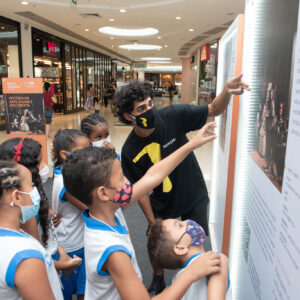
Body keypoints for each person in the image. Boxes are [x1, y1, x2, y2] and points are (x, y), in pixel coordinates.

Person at [114, 75, 250, 294]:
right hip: (162, 200)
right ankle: (158, 278)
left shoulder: (173, 115)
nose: (150, 110)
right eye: (142, 108)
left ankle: (200, 284)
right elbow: (140, 190)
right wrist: (152, 222)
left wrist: (226, 90)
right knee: (156, 242)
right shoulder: (130, 150)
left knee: (196, 241)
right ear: (128, 117)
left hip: (192, 192)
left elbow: (214, 109)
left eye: (150, 103)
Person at [62, 122, 219, 300]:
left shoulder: (107, 210)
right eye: (121, 177)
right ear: (103, 193)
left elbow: (153, 176)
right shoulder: (113, 251)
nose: (127, 181)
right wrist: (190, 274)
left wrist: (191, 145)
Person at [0, 138, 82, 278]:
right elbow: (37, 254)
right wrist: (66, 264)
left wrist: (60, 249)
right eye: (39, 163)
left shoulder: (30, 196)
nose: (44, 166)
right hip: (46, 265)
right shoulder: (25, 210)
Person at [0, 160, 63, 300]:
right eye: (31, 185)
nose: (35, 191)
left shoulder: (12, 237)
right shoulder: (25, 257)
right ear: (17, 197)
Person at [147, 219, 231, 299]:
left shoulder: (175, 283)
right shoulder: (216, 260)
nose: (187, 221)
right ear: (180, 248)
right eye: (180, 225)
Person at [52, 129, 91, 300]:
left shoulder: (68, 172)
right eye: (82, 151)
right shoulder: (64, 182)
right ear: (64, 154)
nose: (88, 155)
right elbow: (90, 207)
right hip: (70, 246)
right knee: (65, 292)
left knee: (84, 288)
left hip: (80, 241)